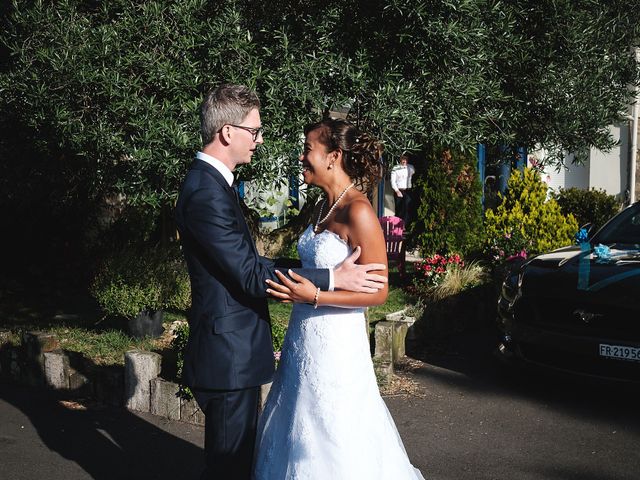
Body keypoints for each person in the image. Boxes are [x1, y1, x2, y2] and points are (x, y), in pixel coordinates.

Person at [174, 85, 387, 480]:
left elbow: (378, 286)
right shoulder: (206, 191)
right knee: (229, 468)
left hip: (312, 346)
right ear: (227, 133)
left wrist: (322, 283)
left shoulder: (215, 185)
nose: (260, 139)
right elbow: (252, 273)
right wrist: (327, 278)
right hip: (231, 354)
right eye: (254, 131)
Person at [253, 119, 424, 479]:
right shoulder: (319, 207)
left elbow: (378, 291)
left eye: (307, 149)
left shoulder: (358, 211)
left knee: (335, 433)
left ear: (332, 157)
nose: (301, 157)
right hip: (304, 340)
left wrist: (314, 295)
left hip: (337, 345)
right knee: (296, 425)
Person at [390, 152, 416, 224]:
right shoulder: (395, 168)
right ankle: (398, 225)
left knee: (407, 207)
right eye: (403, 159)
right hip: (399, 190)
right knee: (399, 209)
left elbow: (413, 173)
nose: (404, 161)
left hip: (408, 190)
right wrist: (397, 191)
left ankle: (405, 225)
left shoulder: (411, 167)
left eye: (406, 159)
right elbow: (393, 181)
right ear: (400, 160)